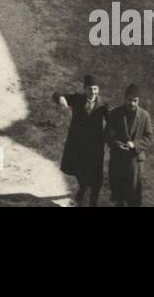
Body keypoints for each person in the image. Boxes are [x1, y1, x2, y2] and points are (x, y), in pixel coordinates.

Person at [52, 74, 108, 207]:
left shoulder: (103, 104)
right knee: (79, 170)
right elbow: (57, 94)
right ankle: (82, 189)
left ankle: (92, 201)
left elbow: (112, 120)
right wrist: (61, 98)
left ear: (98, 89)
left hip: (95, 146)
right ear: (84, 89)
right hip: (78, 144)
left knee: (96, 175)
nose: (93, 92)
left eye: (95, 89)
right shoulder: (78, 99)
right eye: (90, 89)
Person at [107, 84, 154, 207]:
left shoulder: (144, 116)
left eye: (135, 100)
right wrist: (116, 143)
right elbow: (107, 133)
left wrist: (135, 144)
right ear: (124, 99)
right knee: (118, 188)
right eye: (129, 100)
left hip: (135, 160)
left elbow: (149, 137)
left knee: (133, 191)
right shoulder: (115, 113)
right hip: (118, 158)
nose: (132, 103)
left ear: (138, 101)